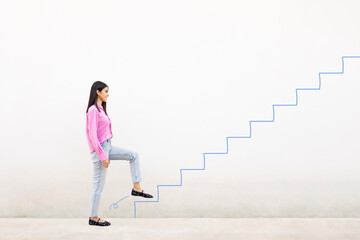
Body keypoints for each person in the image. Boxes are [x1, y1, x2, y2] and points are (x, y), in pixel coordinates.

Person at [86, 81, 153, 227]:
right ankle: (93, 217)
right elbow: (92, 136)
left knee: (133, 155)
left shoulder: (101, 109)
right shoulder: (93, 110)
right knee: (98, 185)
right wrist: (103, 156)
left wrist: (106, 151)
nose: (108, 94)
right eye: (105, 91)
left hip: (107, 146)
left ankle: (136, 188)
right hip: (100, 150)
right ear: (97, 92)